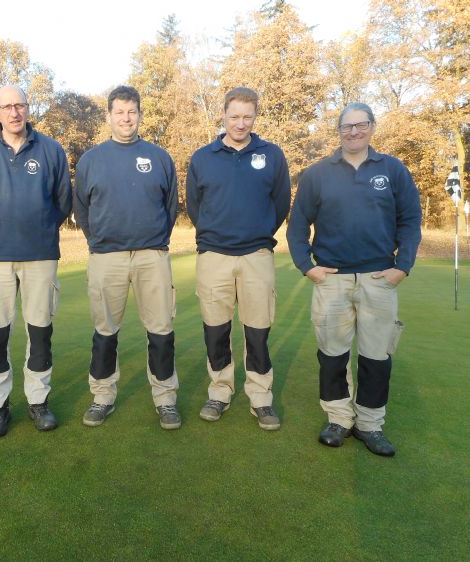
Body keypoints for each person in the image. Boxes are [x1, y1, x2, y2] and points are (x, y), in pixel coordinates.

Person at [287, 102, 422, 457]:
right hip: (332, 279)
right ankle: (339, 419)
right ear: (339, 131)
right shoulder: (318, 174)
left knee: (376, 357)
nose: (354, 132)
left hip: (379, 278)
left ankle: (370, 424)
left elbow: (410, 220)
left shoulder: (392, 170)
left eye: (360, 125)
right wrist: (306, 264)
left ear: (372, 127)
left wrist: (402, 266)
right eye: (346, 127)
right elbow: (298, 224)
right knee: (332, 355)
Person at [0, 85, 72, 438]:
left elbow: (62, 201)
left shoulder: (51, 150)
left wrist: (39, 228)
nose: (14, 112)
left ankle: (38, 402)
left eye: (20, 105)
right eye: (7, 106)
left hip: (40, 255)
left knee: (40, 333)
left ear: (28, 108)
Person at [74, 85, 181, 430]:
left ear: (140, 114)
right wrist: (99, 242)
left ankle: (166, 399)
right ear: (108, 116)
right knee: (105, 332)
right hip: (107, 257)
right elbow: (81, 208)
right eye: (119, 112)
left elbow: (171, 207)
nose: (126, 117)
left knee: (161, 330)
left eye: (131, 111)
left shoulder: (159, 157)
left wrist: (154, 242)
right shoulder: (91, 160)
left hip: (152, 256)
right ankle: (102, 396)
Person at [186, 87, 290, 430]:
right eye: (234, 116)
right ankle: (219, 392)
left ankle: (261, 398)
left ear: (255, 117)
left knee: (257, 330)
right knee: (216, 330)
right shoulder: (203, 157)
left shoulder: (271, 155)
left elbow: (280, 205)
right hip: (214, 255)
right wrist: (217, 234)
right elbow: (195, 206)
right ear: (224, 115)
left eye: (247, 116)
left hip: (256, 255)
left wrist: (257, 232)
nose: (240, 123)